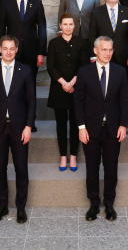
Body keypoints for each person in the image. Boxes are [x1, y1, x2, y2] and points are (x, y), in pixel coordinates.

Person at [0, 36, 36, 224]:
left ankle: (21, 208)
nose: (8, 51)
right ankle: (2, 206)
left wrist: (29, 126)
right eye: (5, 48)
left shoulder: (26, 71)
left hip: (20, 128)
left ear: (17, 49)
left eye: (12, 48)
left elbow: (32, 101)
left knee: (21, 168)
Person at [75, 36, 128, 221]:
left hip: (113, 129)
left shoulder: (120, 72)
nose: (107, 53)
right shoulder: (84, 72)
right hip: (90, 129)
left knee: (111, 168)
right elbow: (78, 102)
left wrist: (123, 124)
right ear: (95, 51)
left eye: (110, 49)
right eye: (104, 49)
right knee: (92, 168)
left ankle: (109, 204)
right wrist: (81, 127)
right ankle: (93, 204)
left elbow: (123, 101)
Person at [46, 14, 89, 172]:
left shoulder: (82, 43)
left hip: (77, 89)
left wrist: (72, 83)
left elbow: (84, 66)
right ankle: (63, 155)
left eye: (71, 24)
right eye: (65, 24)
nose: (68, 27)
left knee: (76, 123)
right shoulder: (54, 43)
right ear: (60, 25)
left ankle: (73, 156)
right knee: (61, 124)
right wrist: (64, 83)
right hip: (59, 89)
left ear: (75, 25)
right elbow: (51, 67)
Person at [0, 0, 47, 83]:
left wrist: (41, 53)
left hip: (32, 52)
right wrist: (1, 52)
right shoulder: (6, 3)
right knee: (13, 83)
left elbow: (42, 29)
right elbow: (1, 29)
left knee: (30, 82)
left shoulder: (37, 3)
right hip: (11, 51)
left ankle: (31, 101)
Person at [89, 0, 128, 67]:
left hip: (123, 57)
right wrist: (93, 55)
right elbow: (92, 36)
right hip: (102, 56)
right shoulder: (96, 12)